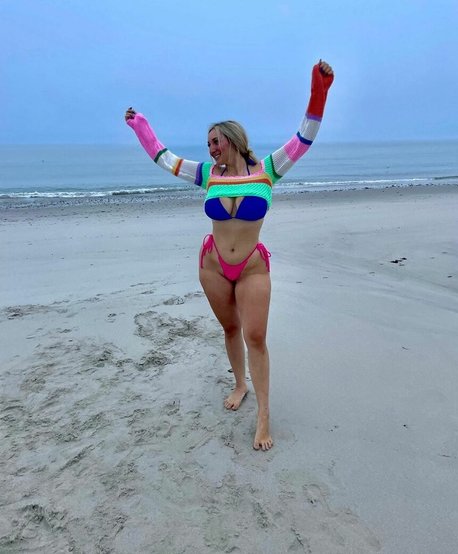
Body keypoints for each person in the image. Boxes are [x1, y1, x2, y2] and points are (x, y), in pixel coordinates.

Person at [125, 60, 334, 451]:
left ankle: (264, 416)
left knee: (256, 336)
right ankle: (240, 384)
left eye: (216, 141)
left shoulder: (269, 168)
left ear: (233, 139)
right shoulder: (208, 174)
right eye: (208, 145)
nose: (211, 149)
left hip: (252, 266)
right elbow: (164, 158)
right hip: (213, 266)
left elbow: (304, 138)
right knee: (230, 329)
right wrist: (141, 126)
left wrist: (319, 89)